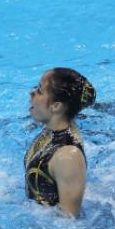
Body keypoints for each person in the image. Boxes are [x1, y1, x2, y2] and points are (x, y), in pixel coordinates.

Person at [24, 68, 96, 217]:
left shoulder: (67, 156)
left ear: (56, 106)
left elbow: (68, 223)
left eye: (39, 90)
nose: (31, 93)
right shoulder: (50, 132)